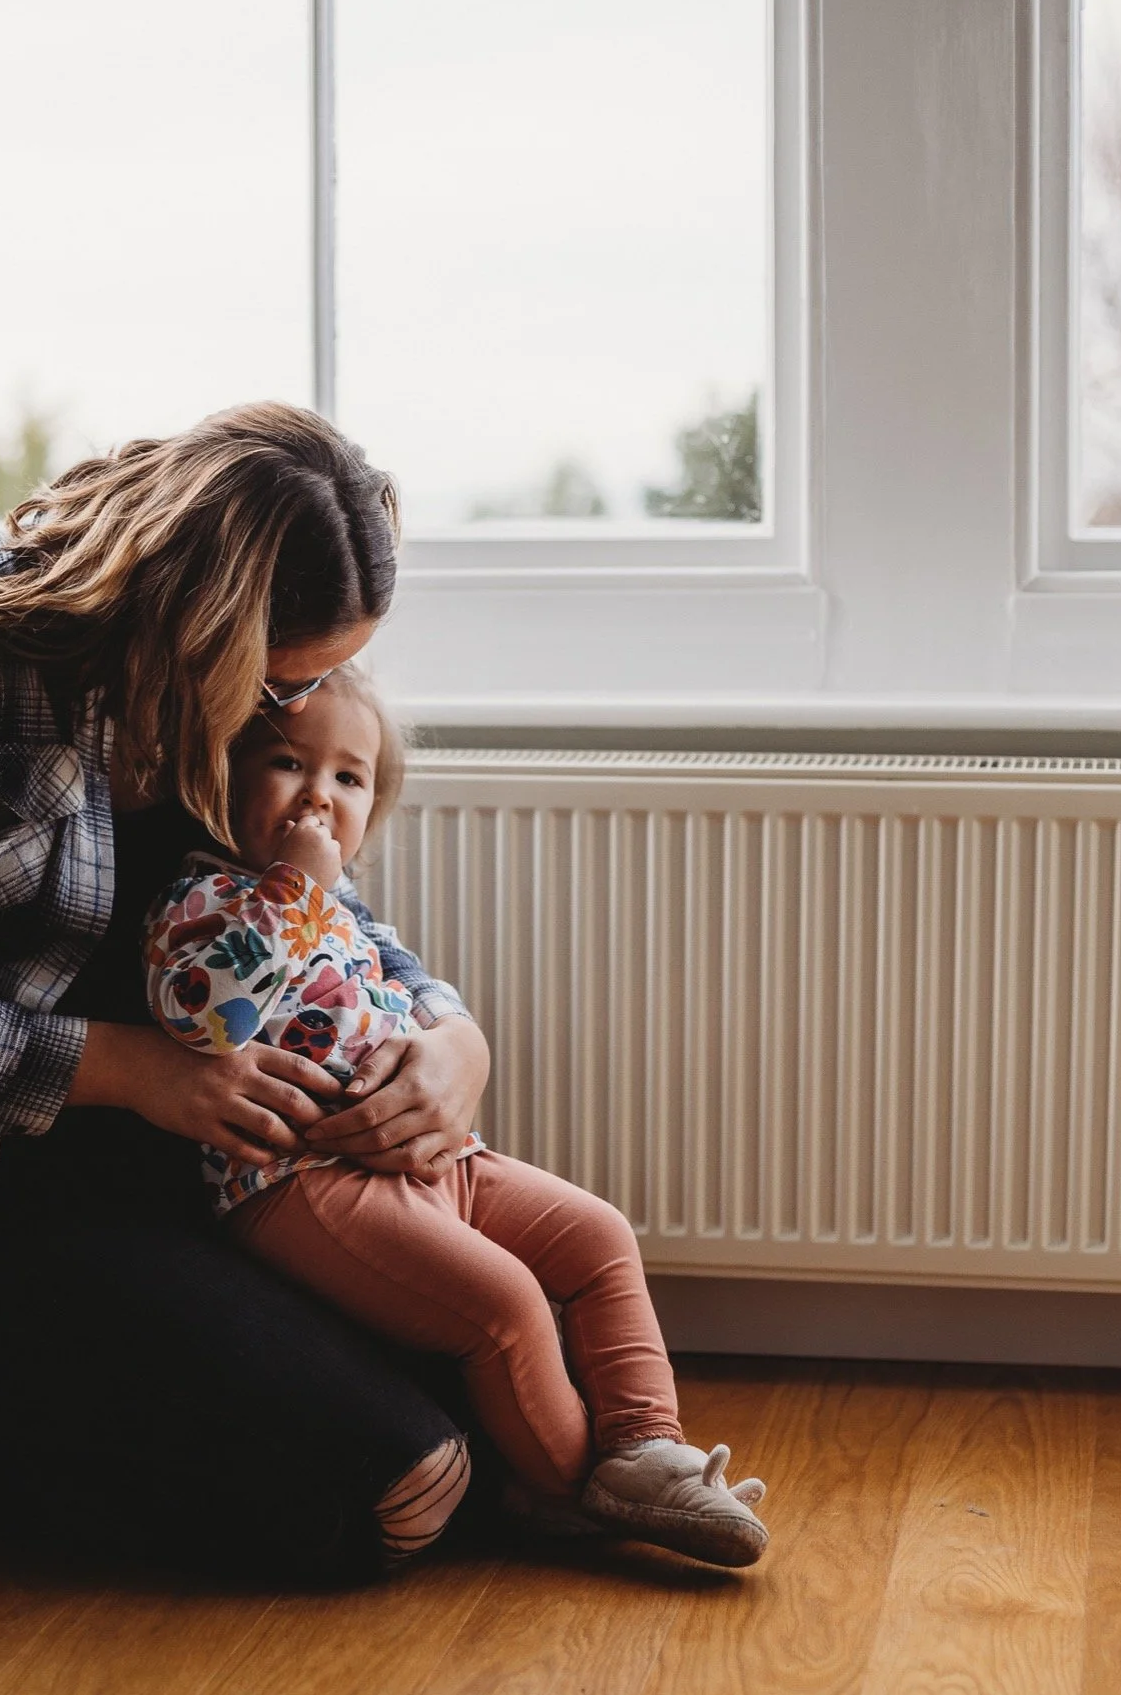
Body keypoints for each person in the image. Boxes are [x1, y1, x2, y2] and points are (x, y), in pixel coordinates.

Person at [0, 404, 491, 1584]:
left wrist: (449, 1029)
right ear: (204, 622)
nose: (302, 709)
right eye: (285, 682)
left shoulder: (241, 681)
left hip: (182, 1175)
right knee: (382, 1499)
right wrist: (136, 1070)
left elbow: (301, 906)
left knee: (487, 1413)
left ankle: (38, 1417)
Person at [143, 667, 770, 1568]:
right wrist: (295, 895)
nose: (319, 795)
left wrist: (445, 1044)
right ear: (221, 776)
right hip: (298, 1179)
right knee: (503, 1307)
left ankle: (645, 1446)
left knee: (598, 1236)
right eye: (288, 763)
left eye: (349, 779)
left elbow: (412, 997)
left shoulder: (343, 909)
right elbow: (205, 1017)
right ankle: (572, 1496)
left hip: (437, 1157)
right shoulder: (200, 900)